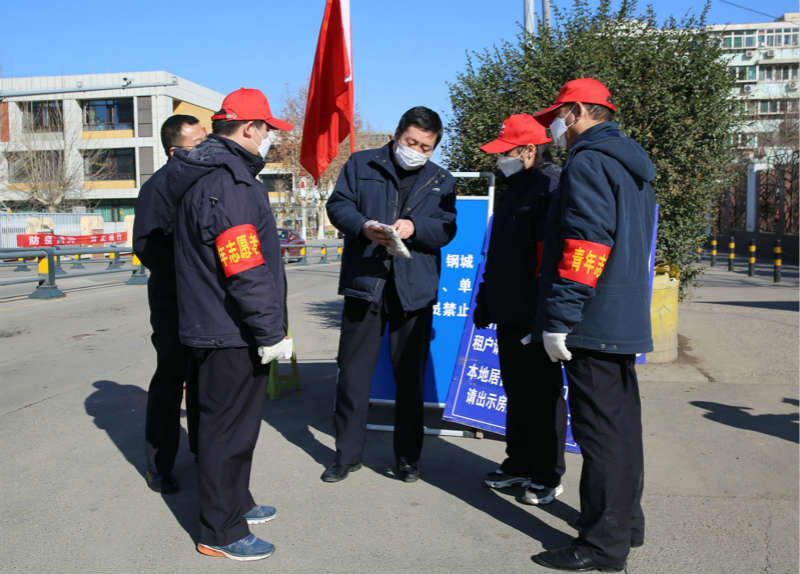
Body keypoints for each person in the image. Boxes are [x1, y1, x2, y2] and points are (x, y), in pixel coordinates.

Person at [529, 78, 656, 572]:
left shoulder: (588, 161)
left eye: (558, 116)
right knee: (621, 431)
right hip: (621, 317)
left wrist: (560, 317)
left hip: (592, 319)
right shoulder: (630, 162)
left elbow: (587, 242)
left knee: (600, 436)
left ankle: (602, 547)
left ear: (579, 110)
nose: (555, 128)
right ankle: (626, 526)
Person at [169, 88, 294, 561]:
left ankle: (237, 502)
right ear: (249, 128)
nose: (268, 138)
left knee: (231, 427)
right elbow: (245, 268)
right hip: (230, 330)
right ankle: (220, 530)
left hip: (214, 322)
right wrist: (271, 331)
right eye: (266, 129)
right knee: (227, 431)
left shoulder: (205, 174)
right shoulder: (231, 183)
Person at [323, 106, 457, 483]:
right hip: (366, 284)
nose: (416, 151)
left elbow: (447, 228)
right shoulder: (362, 164)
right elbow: (338, 205)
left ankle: (408, 458)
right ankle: (346, 455)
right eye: (411, 142)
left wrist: (416, 227)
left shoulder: (441, 180)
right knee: (353, 376)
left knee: (410, 380)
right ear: (397, 135)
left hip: (414, 291)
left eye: (426, 147)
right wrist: (362, 226)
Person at [473, 113, 567, 505]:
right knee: (516, 391)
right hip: (508, 308)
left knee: (542, 394)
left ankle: (547, 474)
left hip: (535, 311)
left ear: (529, 150)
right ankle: (520, 463)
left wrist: (546, 313)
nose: (500, 161)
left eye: (506, 153)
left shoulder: (551, 186)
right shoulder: (513, 188)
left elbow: (551, 257)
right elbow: (499, 253)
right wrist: (486, 298)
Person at [132, 114, 206, 494]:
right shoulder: (158, 187)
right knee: (171, 379)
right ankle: (160, 465)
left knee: (203, 378)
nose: (206, 150)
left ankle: (203, 450)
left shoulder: (205, 181)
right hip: (172, 298)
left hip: (205, 299)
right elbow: (146, 246)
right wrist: (187, 267)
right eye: (198, 145)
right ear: (175, 151)